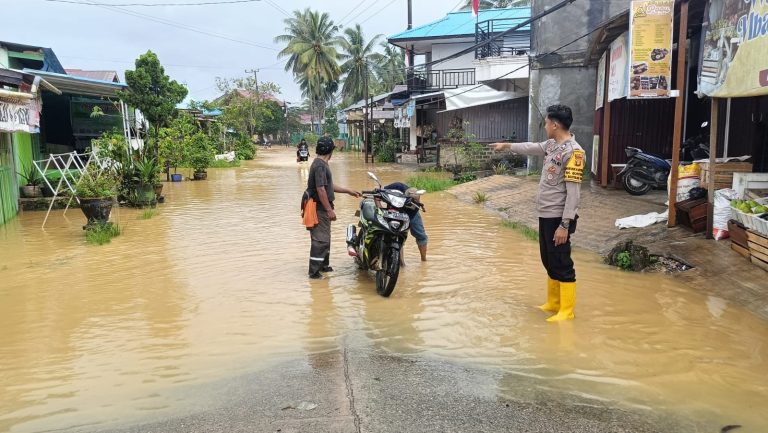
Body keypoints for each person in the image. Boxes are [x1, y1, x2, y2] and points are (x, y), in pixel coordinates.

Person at [491, 104, 584, 322]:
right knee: (548, 259)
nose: (544, 126)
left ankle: (567, 311)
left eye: (546, 122)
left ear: (554, 124)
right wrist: (506, 146)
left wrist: (565, 225)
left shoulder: (574, 152)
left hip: (559, 218)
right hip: (545, 214)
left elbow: (574, 194)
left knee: (561, 262)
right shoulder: (552, 145)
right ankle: (553, 302)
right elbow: (531, 147)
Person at [305, 136, 361, 279]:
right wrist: (329, 209)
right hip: (319, 208)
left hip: (322, 207)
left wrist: (348, 191)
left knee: (325, 238)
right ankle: (314, 274)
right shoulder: (320, 165)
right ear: (331, 151)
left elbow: (328, 186)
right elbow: (321, 189)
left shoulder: (322, 164)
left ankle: (324, 266)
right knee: (320, 239)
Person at [383, 182, 428, 265]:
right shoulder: (396, 186)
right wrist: (379, 209)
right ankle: (401, 263)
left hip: (411, 214)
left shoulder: (415, 206)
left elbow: (411, 216)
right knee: (397, 235)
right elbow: (380, 194)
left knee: (421, 236)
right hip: (396, 212)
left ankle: (424, 261)